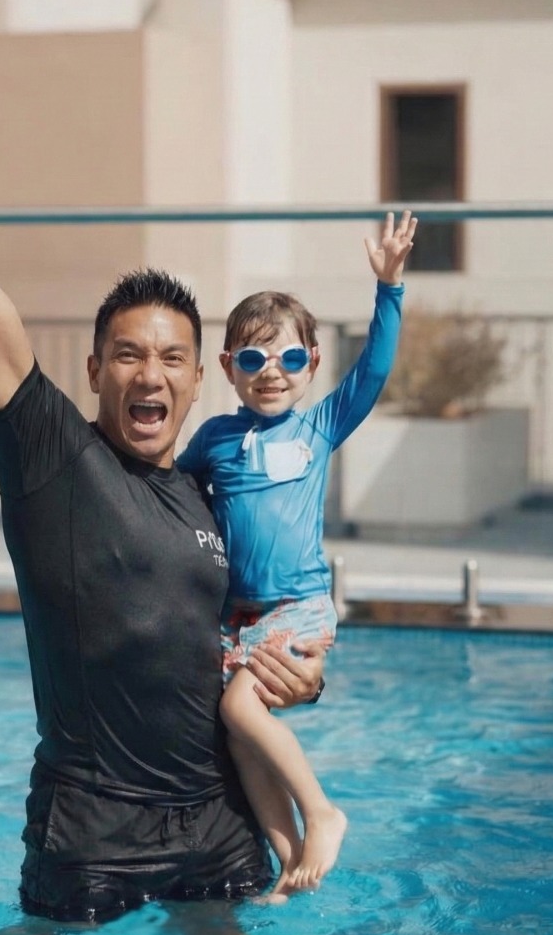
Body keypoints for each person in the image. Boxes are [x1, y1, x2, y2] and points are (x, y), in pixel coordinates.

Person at [0, 37, 325, 923]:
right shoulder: (55, 458)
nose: (150, 374)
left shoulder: (214, 487)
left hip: (218, 824)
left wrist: (302, 676)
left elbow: (256, 628)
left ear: (198, 380)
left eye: (172, 358)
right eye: (128, 354)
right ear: (93, 370)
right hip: (89, 833)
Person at [177, 213, 416, 893]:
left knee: (238, 711)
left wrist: (388, 287)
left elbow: (374, 366)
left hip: (299, 606)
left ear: (311, 363)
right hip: (239, 616)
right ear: (228, 368)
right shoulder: (215, 439)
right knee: (241, 737)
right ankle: (287, 865)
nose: (270, 373)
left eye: (287, 358)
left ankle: (322, 811)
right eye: (252, 359)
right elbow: (176, 493)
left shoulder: (319, 427)